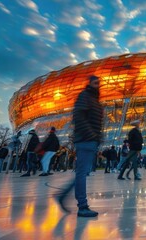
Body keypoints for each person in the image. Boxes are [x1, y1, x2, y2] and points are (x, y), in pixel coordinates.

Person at [56, 75, 103, 217]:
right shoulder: (84, 96)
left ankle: (63, 196)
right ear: (89, 83)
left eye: (99, 82)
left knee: (82, 173)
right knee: (82, 173)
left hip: (91, 140)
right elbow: (78, 116)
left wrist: (98, 137)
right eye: (95, 82)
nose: (98, 85)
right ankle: (82, 206)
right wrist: (91, 135)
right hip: (85, 140)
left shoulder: (95, 100)